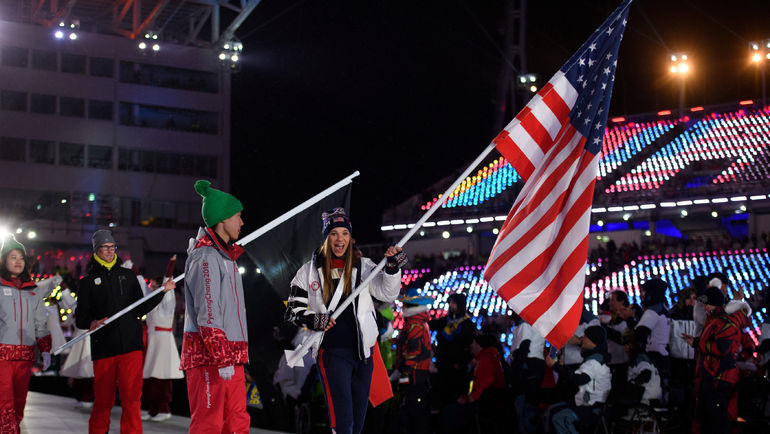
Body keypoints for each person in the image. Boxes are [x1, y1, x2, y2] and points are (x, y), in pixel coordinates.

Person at [284, 207, 403, 434]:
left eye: (345, 233)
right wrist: (315, 320)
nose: (340, 239)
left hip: (364, 355)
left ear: (350, 237)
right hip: (332, 354)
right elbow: (293, 310)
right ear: (326, 237)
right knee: (343, 423)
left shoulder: (365, 266)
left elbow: (387, 294)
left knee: (357, 425)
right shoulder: (308, 271)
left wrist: (392, 268)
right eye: (334, 233)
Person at [75, 229, 175, 434]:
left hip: (131, 347)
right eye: (105, 247)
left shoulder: (127, 276)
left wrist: (161, 292)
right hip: (104, 348)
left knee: (131, 399)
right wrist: (92, 322)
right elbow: (81, 319)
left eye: (112, 247)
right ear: (96, 250)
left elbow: (140, 308)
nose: (110, 251)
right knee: (103, 400)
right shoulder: (87, 282)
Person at [181, 180, 250, 433]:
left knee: (237, 422)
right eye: (238, 216)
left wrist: (230, 357)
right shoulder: (206, 257)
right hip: (209, 358)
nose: (242, 222)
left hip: (231, 355)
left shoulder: (226, 258)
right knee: (208, 424)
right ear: (222, 219)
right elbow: (208, 313)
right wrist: (222, 357)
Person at [0, 236, 52, 432]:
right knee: (4, 402)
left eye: (21, 258)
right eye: (13, 257)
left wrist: (45, 349)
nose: (18, 261)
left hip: (26, 356)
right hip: (2, 356)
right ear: (4, 260)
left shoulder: (33, 291)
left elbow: (40, 323)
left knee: (19, 403)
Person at [683, 286, 751, 434]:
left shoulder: (725, 322)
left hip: (719, 376)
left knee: (717, 421)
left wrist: (696, 343)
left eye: (707, 304)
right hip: (713, 375)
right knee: (709, 419)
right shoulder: (716, 320)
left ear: (715, 304)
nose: (704, 307)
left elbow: (722, 349)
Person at [141, 255, 183, 422]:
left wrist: (171, 265)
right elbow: (141, 286)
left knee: (162, 376)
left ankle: (164, 409)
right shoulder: (151, 301)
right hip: (153, 341)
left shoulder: (167, 302)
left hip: (163, 341)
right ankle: (152, 409)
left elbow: (168, 283)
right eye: (151, 286)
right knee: (151, 376)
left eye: (154, 286)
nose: (151, 288)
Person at [546, 325, 611, 434]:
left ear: (593, 341)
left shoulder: (595, 361)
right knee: (552, 410)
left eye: (585, 337)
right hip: (584, 403)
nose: (582, 339)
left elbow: (579, 379)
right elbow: (576, 375)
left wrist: (556, 366)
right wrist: (561, 367)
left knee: (560, 418)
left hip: (592, 408)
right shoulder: (592, 359)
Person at [394, 289, 433, 434]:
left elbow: (414, 352)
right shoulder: (419, 322)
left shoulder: (414, 325)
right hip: (417, 372)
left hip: (413, 373)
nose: (402, 307)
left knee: (412, 406)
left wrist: (403, 372)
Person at [428, 292, 475, 404]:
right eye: (450, 302)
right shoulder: (445, 321)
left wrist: (461, 363)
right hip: (442, 365)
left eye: (453, 303)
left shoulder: (467, 324)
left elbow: (469, 346)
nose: (451, 305)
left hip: (458, 369)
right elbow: (431, 325)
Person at [510, 313, 545, 434]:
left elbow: (524, 346)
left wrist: (515, 367)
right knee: (530, 406)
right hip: (535, 366)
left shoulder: (525, 324)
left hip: (527, 367)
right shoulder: (535, 322)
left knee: (524, 407)